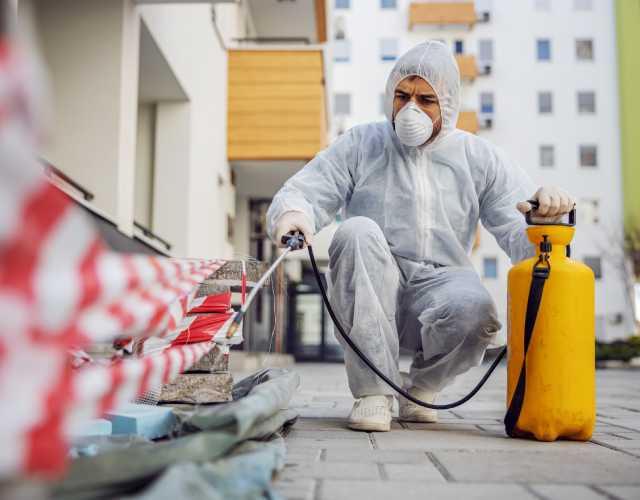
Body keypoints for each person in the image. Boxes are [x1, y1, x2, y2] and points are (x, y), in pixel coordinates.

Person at [266, 41, 574, 432]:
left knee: (477, 309)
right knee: (355, 231)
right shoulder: (363, 144)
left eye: (426, 99)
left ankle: (421, 389)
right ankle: (374, 393)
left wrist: (545, 216)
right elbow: (309, 190)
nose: (411, 109)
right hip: (375, 286)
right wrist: (294, 215)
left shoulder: (479, 157)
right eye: (402, 95)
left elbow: (519, 226)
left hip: (442, 286)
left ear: (447, 104)